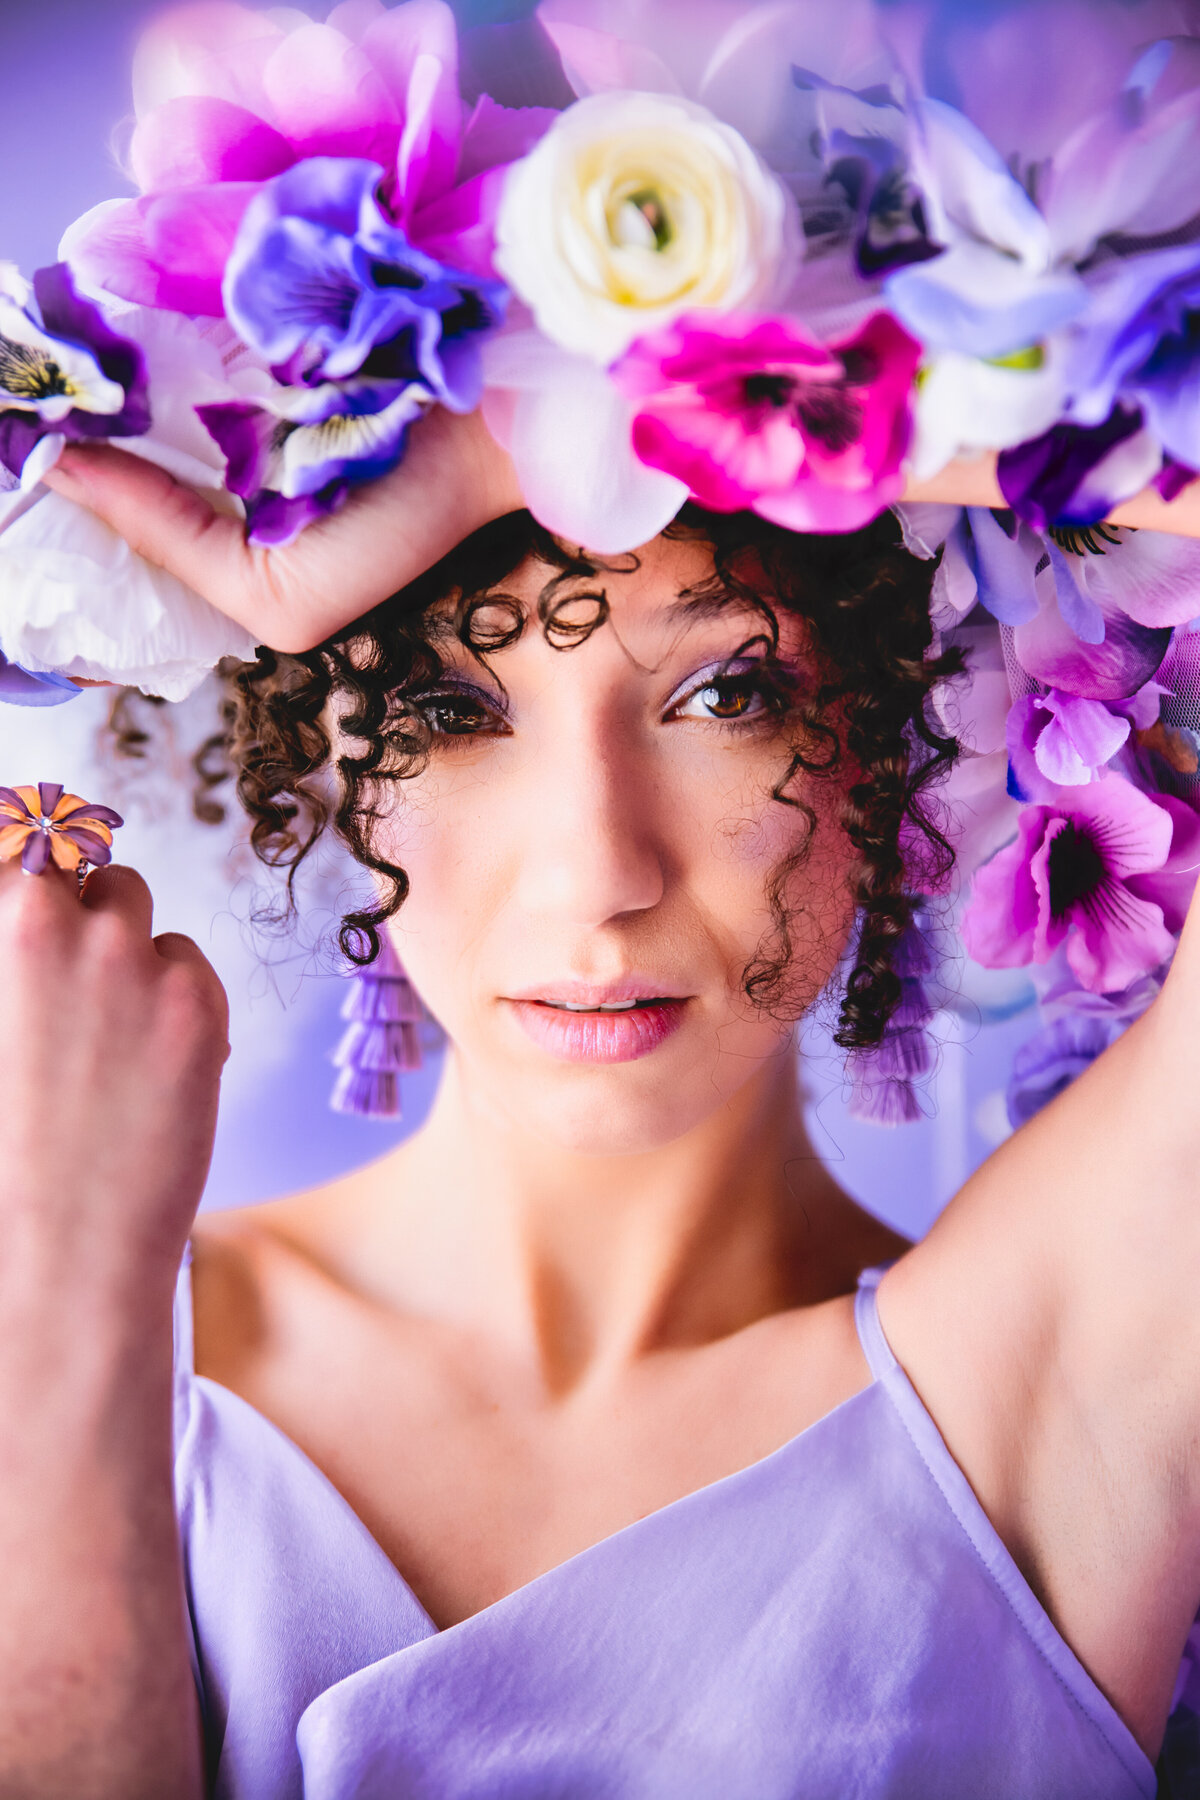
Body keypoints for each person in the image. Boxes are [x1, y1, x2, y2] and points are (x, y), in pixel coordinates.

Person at [4, 413, 1200, 1800]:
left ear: (892, 721)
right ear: (329, 763)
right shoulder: (83, 1323)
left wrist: (535, 436)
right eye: (450, 710)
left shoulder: (1061, 1409)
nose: (598, 877)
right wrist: (71, 1296)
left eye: (726, 694)